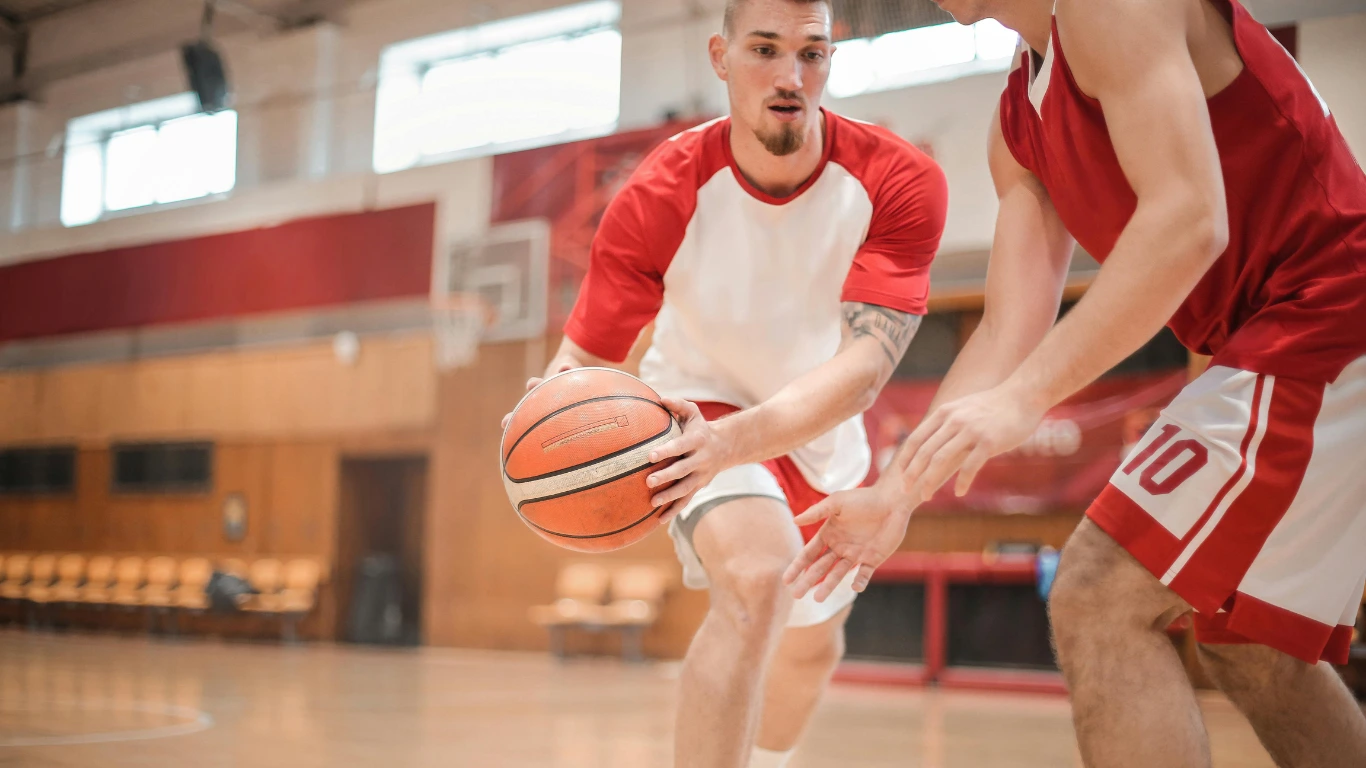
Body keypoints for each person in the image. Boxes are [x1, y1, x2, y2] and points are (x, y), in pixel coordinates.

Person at [785, 1, 1366, 766]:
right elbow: (1004, 332)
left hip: (1327, 312)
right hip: (1280, 337)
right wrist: (896, 495)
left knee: (1098, 596)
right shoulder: (1018, 118)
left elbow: (1191, 219)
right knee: (1253, 650)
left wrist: (1026, 397)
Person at [501, 1, 946, 764]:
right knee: (758, 578)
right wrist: (536, 419)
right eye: (765, 49)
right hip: (693, 408)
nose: (790, 75)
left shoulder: (899, 180)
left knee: (813, 649)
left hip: (820, 422)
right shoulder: (660, 192)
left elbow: (867, 365)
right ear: (721, 56)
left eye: (812, 53)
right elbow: (586, 355)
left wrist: (742, 439)